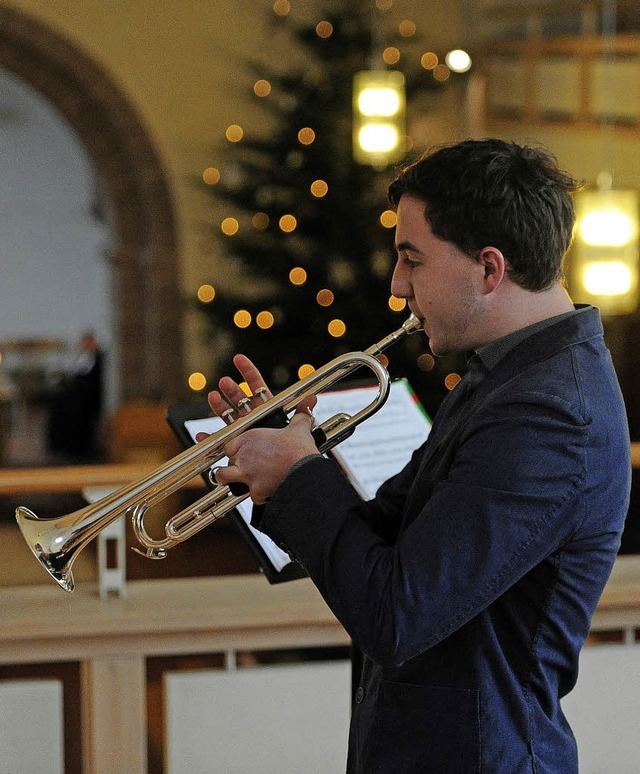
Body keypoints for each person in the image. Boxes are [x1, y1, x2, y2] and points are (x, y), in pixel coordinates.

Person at [205, 139, 631, 773]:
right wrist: (288, 456)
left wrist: (298, 477)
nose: (398, 285)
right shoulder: (507, 377)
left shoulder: (551, 415)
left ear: (490, 269)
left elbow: (396, 615)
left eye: (413, 260)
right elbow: (391, 539)